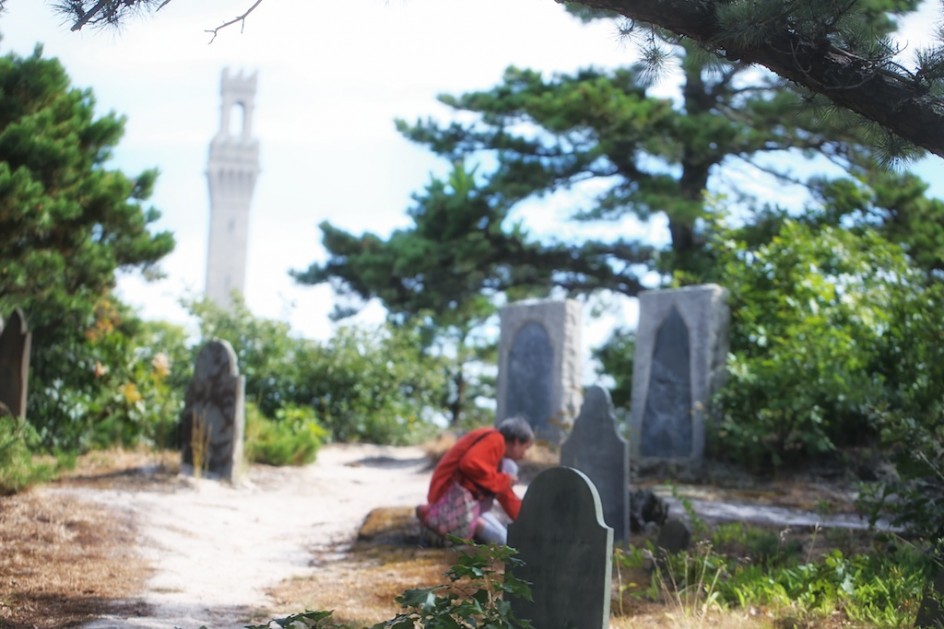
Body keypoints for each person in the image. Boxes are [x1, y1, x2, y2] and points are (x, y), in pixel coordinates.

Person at [417, 416, 534, 545]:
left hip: (456, 496)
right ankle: (455, 520)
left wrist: (527, 522)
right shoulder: (495, 440)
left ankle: (475, 525)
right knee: (510, 467)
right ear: (516, 441)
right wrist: (504, 480)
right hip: (447, 496)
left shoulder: (497, 450)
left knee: (504, 539)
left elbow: (505, 495)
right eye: (526, 447)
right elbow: (469, 464)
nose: (524, 454)